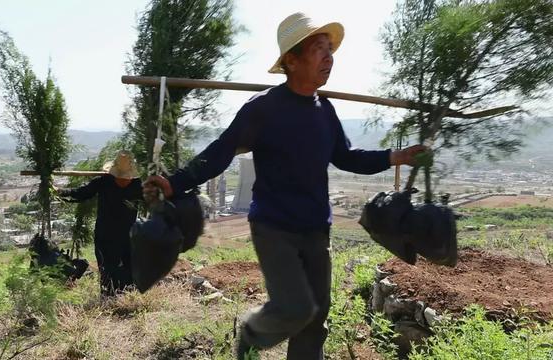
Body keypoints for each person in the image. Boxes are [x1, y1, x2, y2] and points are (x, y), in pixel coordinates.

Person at [144, 12, 426, 359]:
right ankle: (251, 333)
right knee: (295, 307)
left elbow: (347, 157)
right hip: (274, 227)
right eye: (318, 49)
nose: (329, 57)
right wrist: (175, 183)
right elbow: (221, 151)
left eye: (330, 49)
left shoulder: (325, 111)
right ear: (291, 60)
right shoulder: (263, 109)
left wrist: (396, 157)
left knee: (316, 318)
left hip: (316, 229)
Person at [59, 151, 143, 296]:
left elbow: (156, 201)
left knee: (129, 267)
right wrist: (61, 192)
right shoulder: (103, 182)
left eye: (127, 178)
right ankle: (109, 297)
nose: (124, 180)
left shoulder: (138, 186)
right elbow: (81, 193)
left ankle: (128, 297)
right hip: (106, 236)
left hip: (128, 236)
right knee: (107, 268)